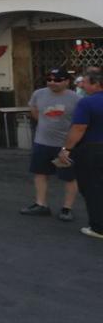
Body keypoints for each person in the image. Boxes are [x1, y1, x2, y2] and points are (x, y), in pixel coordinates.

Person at [23, 68, 81, 221]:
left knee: (69, 177)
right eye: (49, 79)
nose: (52, 83)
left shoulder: (75, 98)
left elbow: (79, 123)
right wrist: (45, 124)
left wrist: (69, 144)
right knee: (40, 173)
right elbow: (34, 110)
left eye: (57, 80)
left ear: (67, 81)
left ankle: (67, 208)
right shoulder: (38, 94)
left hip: (64, 145)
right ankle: (41, 204)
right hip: (42, 142)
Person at [60, 70, 103, 239]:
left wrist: (66, 149)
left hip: (92, 150)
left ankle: (99, 228)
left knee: (93, 188)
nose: (81, 85)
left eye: (84, 82)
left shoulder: (87, 103)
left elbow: (79, 128)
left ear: (96, 84)